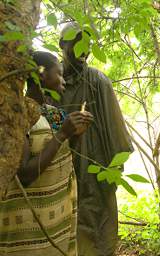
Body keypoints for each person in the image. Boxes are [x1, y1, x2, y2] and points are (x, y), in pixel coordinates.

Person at [0, 51, 93, 255]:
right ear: (41, 75)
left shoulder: (52, 113)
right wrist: (63, 134)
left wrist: (75, 134)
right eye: (58, 74)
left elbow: (64, 155)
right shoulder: (18, 114)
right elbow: (24, 175)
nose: (64, 81)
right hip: (27, 229)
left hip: (57, 222)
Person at [58, 22, 133, 256]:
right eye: (76, 42)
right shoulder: (50, 80)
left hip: (95, 167)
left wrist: (111, 172)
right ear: (62, 44)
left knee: (98, 231)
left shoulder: (98, 81)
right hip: (58, 167)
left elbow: (116, 132)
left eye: (88, 44)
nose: (83, 50)